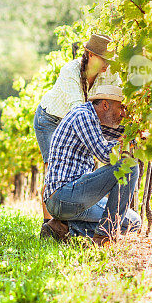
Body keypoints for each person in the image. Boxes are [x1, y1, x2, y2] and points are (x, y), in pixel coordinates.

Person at [33, 33, 122, 225]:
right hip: (50, 119)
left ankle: (72, 217)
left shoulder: (106, 74)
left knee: (83, 169)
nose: (107, 65)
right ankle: (49, 224)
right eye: (103, 60)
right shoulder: (70, 71)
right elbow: (78, 111)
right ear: (89, 55)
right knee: (52, 170)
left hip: (76, 121)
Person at [40, 83, 140, 244]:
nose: (123, 114)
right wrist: (126, 141)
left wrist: (137, 132)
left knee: (133, 222)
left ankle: (62, 228)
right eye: (121, 108)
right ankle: (104, 237)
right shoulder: (83, 116)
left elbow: (117, 134)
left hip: (74, 199)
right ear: (106, 105)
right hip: (63, 195)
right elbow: (104, 154)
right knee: (129, 166)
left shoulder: (96, 121)